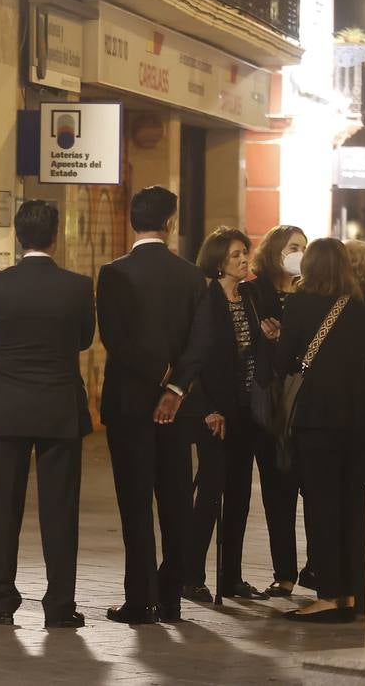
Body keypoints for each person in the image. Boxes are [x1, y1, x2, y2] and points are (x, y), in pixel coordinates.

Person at [95, 186, 211, 625]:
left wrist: (153, 380)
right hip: (176, 410)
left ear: (132, 221)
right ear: (171, 223)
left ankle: (139, 600)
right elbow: (201, 342)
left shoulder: (113, 272)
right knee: (176, 500)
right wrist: (175, 388)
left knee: (135, 504)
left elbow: (115, 339)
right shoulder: (190, 276)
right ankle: (172, 597)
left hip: (128, 406)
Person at [0, 200, 94, 629]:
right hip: (59, 406)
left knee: (2, 509)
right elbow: (84, 340)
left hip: (7, 406)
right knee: (60, 510)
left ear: (17, 234)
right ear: (55, 235)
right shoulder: (78, 287)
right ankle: (60, 604)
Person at [275, 238, 365, 623]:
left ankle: (329, 595)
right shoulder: (363, 306)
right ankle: (350, 593)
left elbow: (285, 361)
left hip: (317, 421)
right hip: (360, 420)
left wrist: (277, 341)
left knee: (320, 505)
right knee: (352, 507)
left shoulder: (299, 304)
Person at [184, 228, 268, 603]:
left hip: (247, 408)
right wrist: (205, 409)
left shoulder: (251, 296)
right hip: (214, 411)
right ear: (219, 260)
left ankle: (231, 576)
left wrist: (272, 334)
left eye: (245, 252)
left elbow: (259, 345)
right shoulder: (205, 296)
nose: (243, 259)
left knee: (239, 497)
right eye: (235, 254)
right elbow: (194, 359)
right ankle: (191, 575)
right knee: (210, 493)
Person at [248, 224, 312, 598]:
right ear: (274, 251)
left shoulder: (311, 293)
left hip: (303, 401)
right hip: (268, 402)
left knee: (310, 488)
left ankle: (315, 566)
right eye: (292, 247)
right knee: (277, 488)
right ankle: (284, 573)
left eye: (303, 247)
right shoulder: (254, 292)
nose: (298, 254)